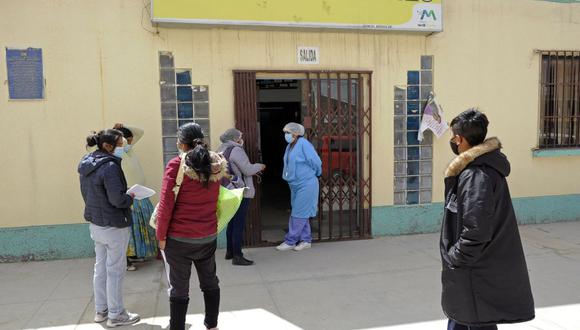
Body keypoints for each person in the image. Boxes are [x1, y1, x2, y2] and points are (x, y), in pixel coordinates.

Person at [440, 109, 534, 330]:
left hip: (475, 272)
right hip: (474, 272)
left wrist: (455, 258)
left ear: (462, 139)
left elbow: (476, 230)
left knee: (473, 320)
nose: (453, 140)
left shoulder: (476, 175)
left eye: (454, 136)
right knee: (465, 319)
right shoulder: (477, 170)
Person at [156, 123, 225, 330]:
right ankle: (211, 325)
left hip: (179, 239)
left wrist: (160, 235)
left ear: (181, 143)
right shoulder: (216, 165)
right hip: (207, 236)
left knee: (179, 288)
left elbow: (166, 205)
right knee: (210, 282)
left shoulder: (177, 165)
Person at [78, 129, 141, 327]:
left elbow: (91, 194)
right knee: (115, 271)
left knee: (101, 269)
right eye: (121, 144)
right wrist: (130, 197)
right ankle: (116, 314)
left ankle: (101, 310)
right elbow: (116, 199)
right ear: (108, 146)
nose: (123, 148)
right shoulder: (111, 167)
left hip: (97, 224)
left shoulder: (87, 163)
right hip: (114, 226)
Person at [217, 128, 266, 266]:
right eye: (239, 136)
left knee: (232, 222)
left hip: (228, 190)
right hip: (241, 191)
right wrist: (260, 166)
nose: (241, 138)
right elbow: (248, 169)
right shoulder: (236, 150)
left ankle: (230, 252)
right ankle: (237, 256)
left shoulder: (220, 149)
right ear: (234, 138)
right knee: (239, 223)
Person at [113, 123, 157, 271]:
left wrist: (124, 125)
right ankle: (125, 259)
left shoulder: (129, 151)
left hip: (140, 194)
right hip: (128, 195)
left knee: (141, 226)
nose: (130, 143)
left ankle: (135, 254)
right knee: (129, 229)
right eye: (127, 140)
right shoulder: (117, 152)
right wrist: (117, 133)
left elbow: (140, 131)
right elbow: (123, 142)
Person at [276, 122, 322, 252]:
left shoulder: (304, 144)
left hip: (306, 183)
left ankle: (291, 241)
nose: (286, 135)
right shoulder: (290, 146)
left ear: (296, 134)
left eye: (288, 132)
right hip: (295, 184)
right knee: (301, 211)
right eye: (285, 132)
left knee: (298, 213)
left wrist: (317, 173)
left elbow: (316, 161)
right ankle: (306, 240)